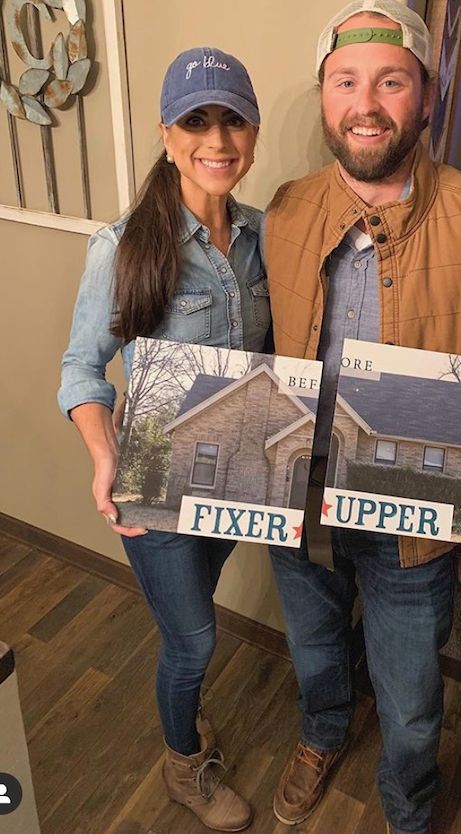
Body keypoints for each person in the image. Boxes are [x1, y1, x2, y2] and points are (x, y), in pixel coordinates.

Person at [263, 3, 461, 833]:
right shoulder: (282, 213)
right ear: (324, 97)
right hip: (299, 505)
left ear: (427, 96)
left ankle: (408, 806)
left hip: (413, 524)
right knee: (316, 651)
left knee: (412, 697)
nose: (367, 103)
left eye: (391, 81)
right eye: (346, 81)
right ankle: (322, 735)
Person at [58, 47, 268, 832]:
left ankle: (189, 724)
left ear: (252, 131)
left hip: (236, 478)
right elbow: (82, 366)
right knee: (193, 640)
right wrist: (106, 455)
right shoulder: (125, 245)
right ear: (167, 133)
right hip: (155, 486)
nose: (216, 139)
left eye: (232, 120)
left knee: (196, 619)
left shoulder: (260, 236)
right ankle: (185, 765)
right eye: (196, 120)